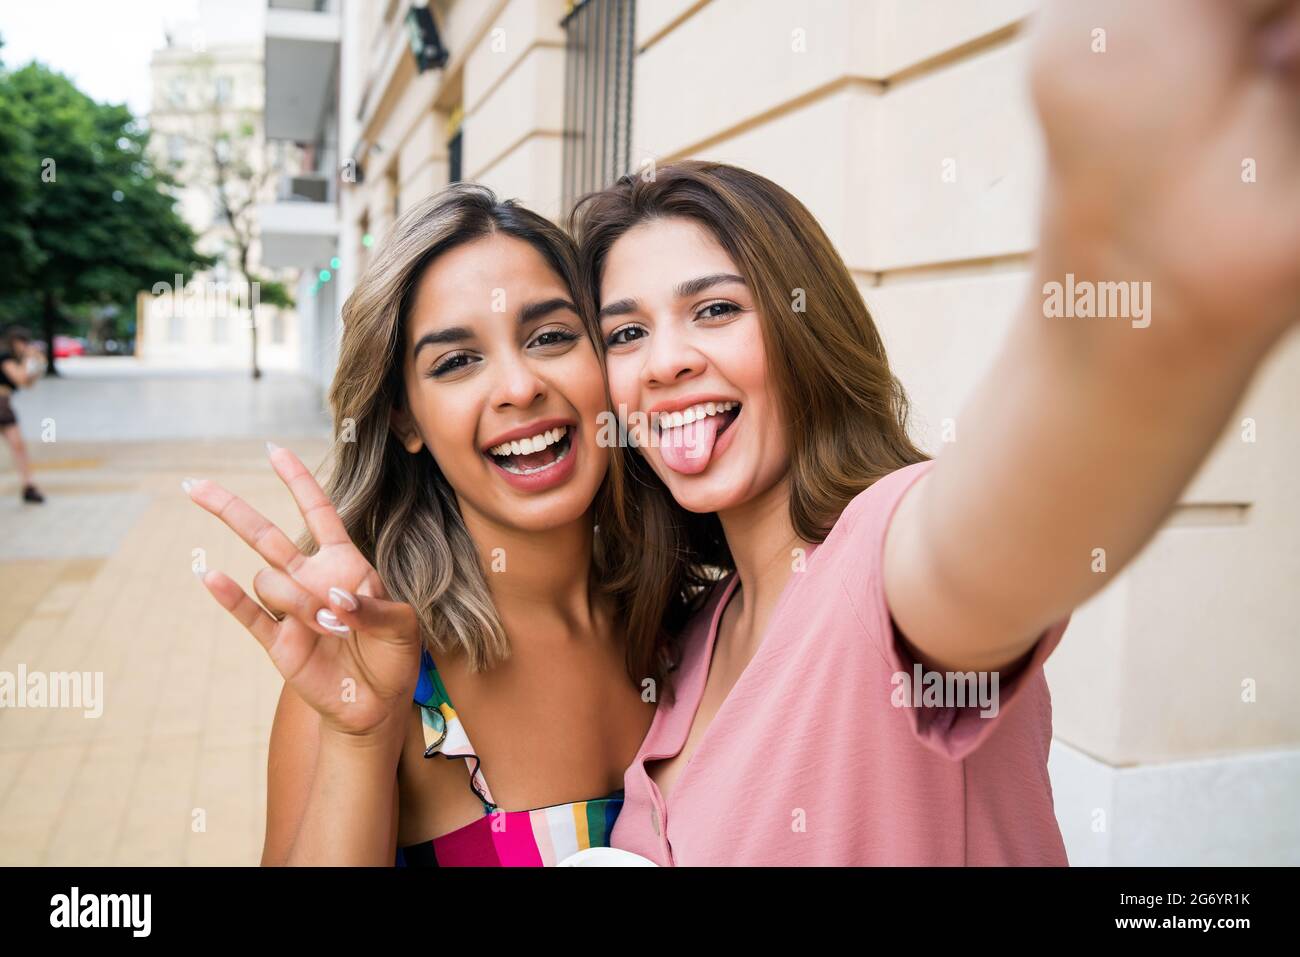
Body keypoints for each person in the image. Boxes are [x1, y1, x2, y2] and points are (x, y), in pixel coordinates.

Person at [572, 0, 1300, 865]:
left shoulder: (882, 555)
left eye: (716, 309)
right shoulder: (692, 636)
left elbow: (992, 545)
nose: (664, 363)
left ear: (805, 328)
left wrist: (1147, 284)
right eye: (626, 333)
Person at [183, 184, 656, 865]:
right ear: (405, 418)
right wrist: (359, 736)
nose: (519, 386)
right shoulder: (371, 664)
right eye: (457, 361)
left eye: (551, 336)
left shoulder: (691, 631)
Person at [0, 325, 48, 504]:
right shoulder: (5, 358)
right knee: (18, 445)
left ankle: (28, 485)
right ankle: (28, 485)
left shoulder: (12, 359)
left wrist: (37, 364)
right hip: (2, 405)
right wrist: (29, 359)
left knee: (18, 445)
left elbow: (27, 384)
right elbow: (20, 378)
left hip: (4, 405)